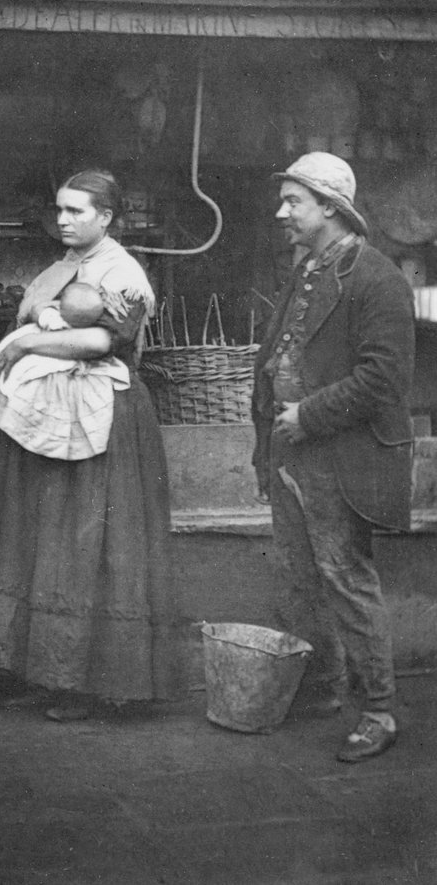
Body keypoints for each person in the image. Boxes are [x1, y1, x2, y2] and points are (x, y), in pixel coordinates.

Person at [0, 168, 185, 721]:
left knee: (90, 543)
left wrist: (30, 342)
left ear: (105, 218)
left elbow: (104, 339)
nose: (63, 220)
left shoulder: (123, 271)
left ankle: (88, 683)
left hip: (102, 418)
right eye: (59, 209)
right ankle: (45, 673)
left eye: (77, 211)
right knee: (46, 540)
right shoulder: (65, 265)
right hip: (50, 417)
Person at [252, 152, 414, 763]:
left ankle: (378, 711)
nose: (282, 212)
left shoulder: (376, 279)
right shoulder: (310, 270)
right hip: (293, 453)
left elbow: (384, 379)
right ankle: (320, 690)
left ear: (330, 208)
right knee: (300, 577)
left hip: (341, 458)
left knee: (346, 579)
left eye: (294, 201)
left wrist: (308, 415)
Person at [0, 279, 132, 461]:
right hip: (67, 352)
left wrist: (47, 311)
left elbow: (40, 311)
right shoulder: (84, 321)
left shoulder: (54, 320)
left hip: (62, 354)